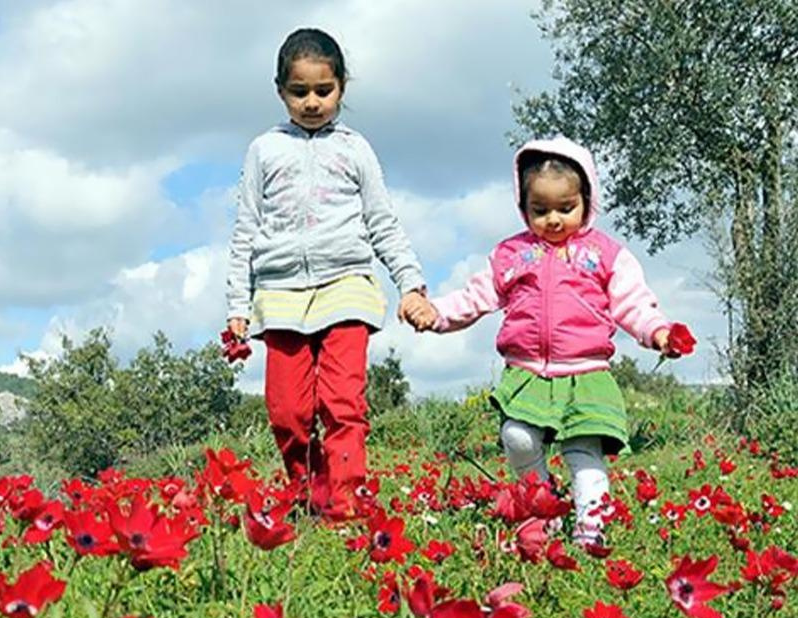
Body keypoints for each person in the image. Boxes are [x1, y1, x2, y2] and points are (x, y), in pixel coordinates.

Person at [418, 136, 688, 544]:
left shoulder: (605, 255)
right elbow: (475, 297)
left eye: (566, 208)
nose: (554, 220)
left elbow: (633, 303)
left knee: (583, 455)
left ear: (587, 201)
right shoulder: (512, 255)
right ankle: (543, 508)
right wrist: (435, 313)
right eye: (540, 210)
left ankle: (590, 533)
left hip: (586, 373)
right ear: (523, 207)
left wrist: (659, 332)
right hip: (527, 373)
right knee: (517, 437)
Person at [225, 27, 435, 521]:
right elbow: (245, 230)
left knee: (342, 404)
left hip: (347, 288)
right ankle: (309, 491)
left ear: (342, 86)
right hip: (279, 295)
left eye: (325, 90)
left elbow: (382, 222)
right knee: (288, 413)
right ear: (280, 91)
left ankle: (344, 508)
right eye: (300, 92)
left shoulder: (356, 149)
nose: (313, 102)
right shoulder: (264, 150)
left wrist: (411, 284)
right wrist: (237, 304)